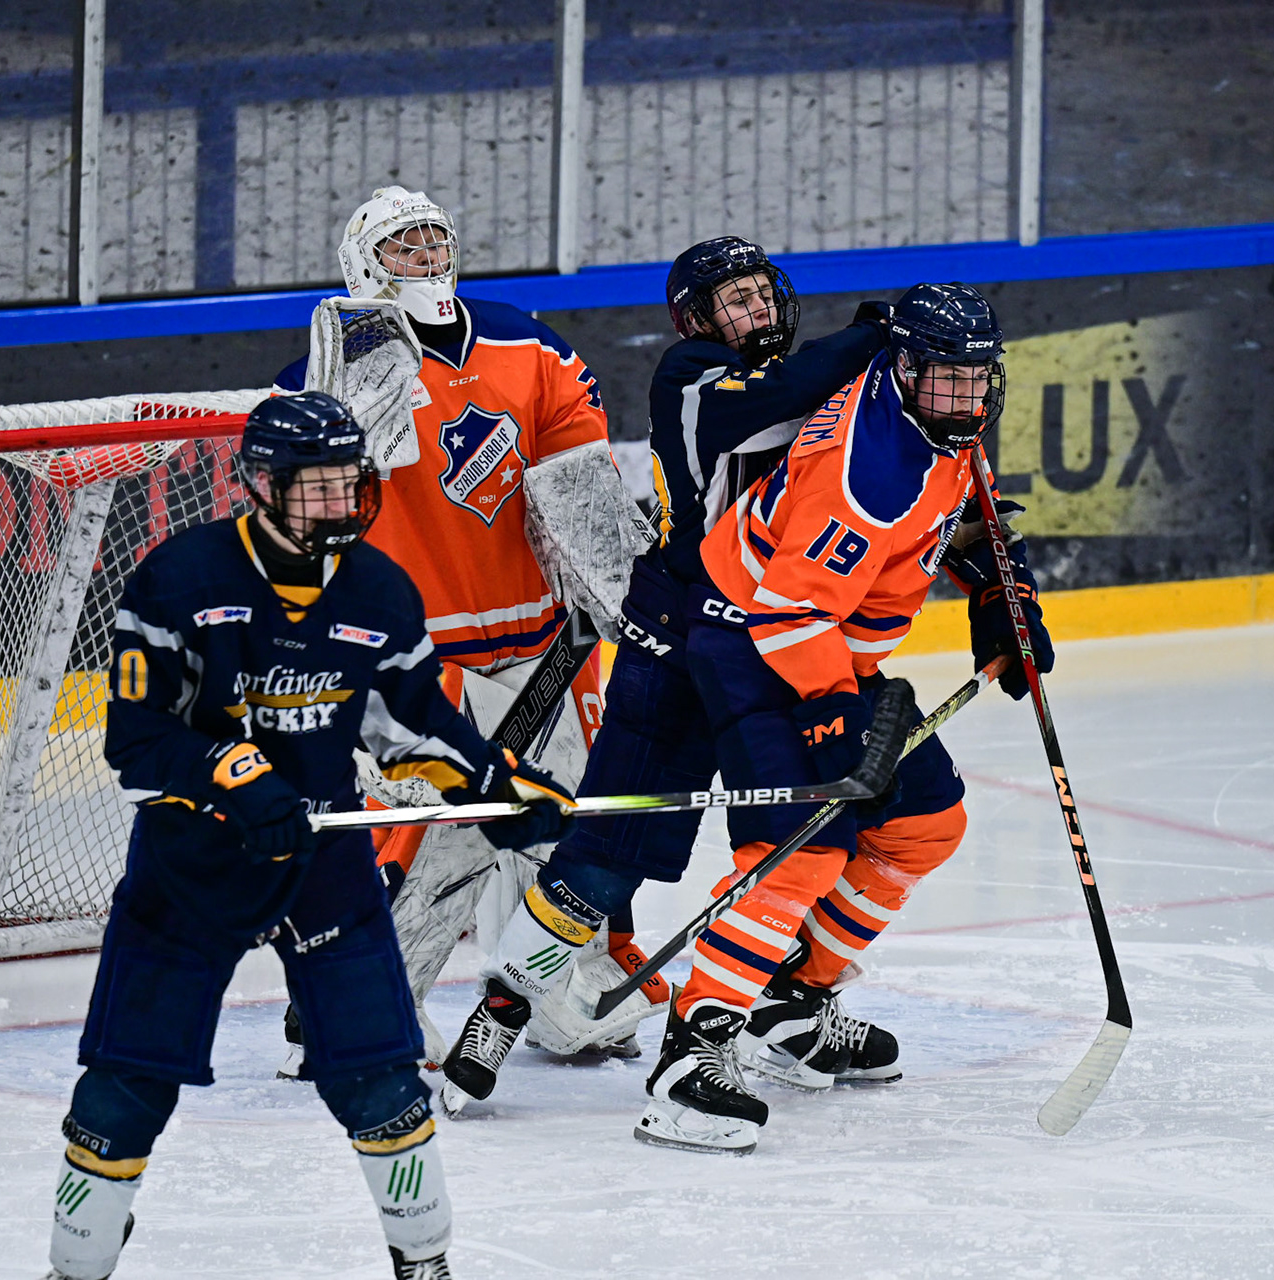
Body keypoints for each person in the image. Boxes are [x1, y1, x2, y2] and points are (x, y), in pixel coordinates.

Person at [43, 391, 575, 1280]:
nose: (337, 501)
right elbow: (136, 743)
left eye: (346, 482)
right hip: (190, 864)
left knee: (381, 1081)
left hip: (324, 863)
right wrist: (235, 774)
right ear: (261, 483)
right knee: (126, 1086)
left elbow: (414, 726)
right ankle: (75, 1266)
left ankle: (425, 1263)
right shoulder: (179, 580)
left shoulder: (378, 590)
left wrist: (496, 785)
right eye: (313, 484)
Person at [434, 236, 898, 1102]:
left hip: (771, 650)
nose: (755, 310)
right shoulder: (690, 376)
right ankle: (503, 1007)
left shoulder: (823, 383)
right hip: (676, 640)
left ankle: (790, 1011)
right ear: (696, 320)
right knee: (609, 854)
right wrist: (876, 334)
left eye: (761, 293)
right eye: (734, 300)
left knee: (800, 845)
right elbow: (781, 394)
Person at [635, 282, 1056, 1154]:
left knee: (925, 822)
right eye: (946, 379)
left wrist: (1000, 593)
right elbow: (788, 614)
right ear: (904, 368)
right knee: (801, 851)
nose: (964, 398)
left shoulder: (935, 414)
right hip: (754, 646)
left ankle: (790, 1009)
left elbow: (964, 507)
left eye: (976, 379)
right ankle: (689, 1060)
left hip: (825, 647)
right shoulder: (864, 476)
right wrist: (833, 721)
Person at [271, 187, 654, 1090]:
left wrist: (619, 596)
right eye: (401, 246)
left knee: (562, 826)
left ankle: (556, 996)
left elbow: (581, 479)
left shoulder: (528, 343)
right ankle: (354, 1010)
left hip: (544, 639)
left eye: (433, 239)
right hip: (414, 654)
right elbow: (305, 520)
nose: (425, 256)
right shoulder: (319, 374)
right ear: (363, 264)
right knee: (425, 838)